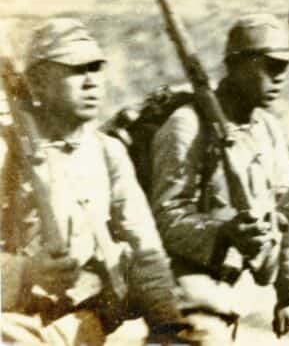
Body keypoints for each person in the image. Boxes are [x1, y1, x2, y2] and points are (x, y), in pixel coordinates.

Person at [1, 18, 190, 345]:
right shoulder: (8, 152)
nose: (92, 83)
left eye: (96, 69)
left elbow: (145, 249)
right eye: (76, 70)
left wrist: (167, 323)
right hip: (16, 325)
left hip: (88, 325)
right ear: (39, 83)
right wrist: (25, 271)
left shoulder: (107, 152)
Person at [150, 14, 289, 344]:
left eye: (285, 67)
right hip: (188, 300)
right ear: (237, 65)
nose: (281, 78)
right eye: (270, 66)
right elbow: (164, 218)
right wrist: (223, 233)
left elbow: (283, 215)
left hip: (233, 297)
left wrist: (285, 295)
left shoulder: (268, 129)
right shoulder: (187, 126)